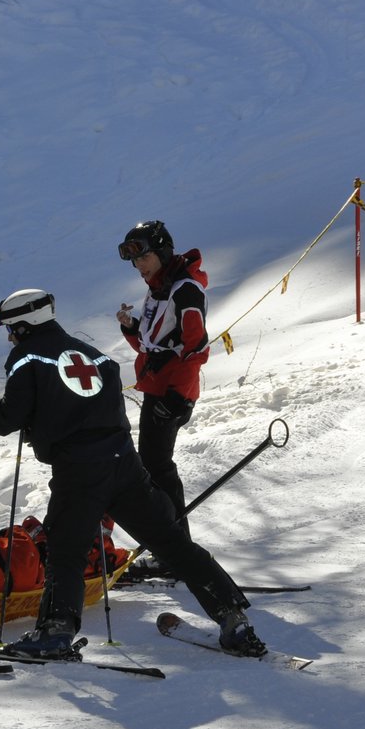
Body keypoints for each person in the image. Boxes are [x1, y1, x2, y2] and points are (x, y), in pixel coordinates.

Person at [0, 288, 266, 659]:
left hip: (79, 468)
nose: (9, 338)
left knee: (66, 549)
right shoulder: (97, 357)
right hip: (124, 462)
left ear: (24, 325)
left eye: (11, 329)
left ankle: (54, 632)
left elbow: (16, 410)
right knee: (171, 540)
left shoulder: (27, 356)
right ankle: (234, 619)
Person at [115, 220, 210, 530]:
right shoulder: (160, 288)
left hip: (172, 393)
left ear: (162, 251)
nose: (138, 266)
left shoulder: (184, 290)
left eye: (143, 257)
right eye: (133, 261)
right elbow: (151, 346)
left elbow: (196, 348)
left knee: (157, 467)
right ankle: (171, 543)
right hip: (158, 388)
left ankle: (176, 545)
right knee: (153, 467)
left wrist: (177, 398)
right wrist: (130, 327)